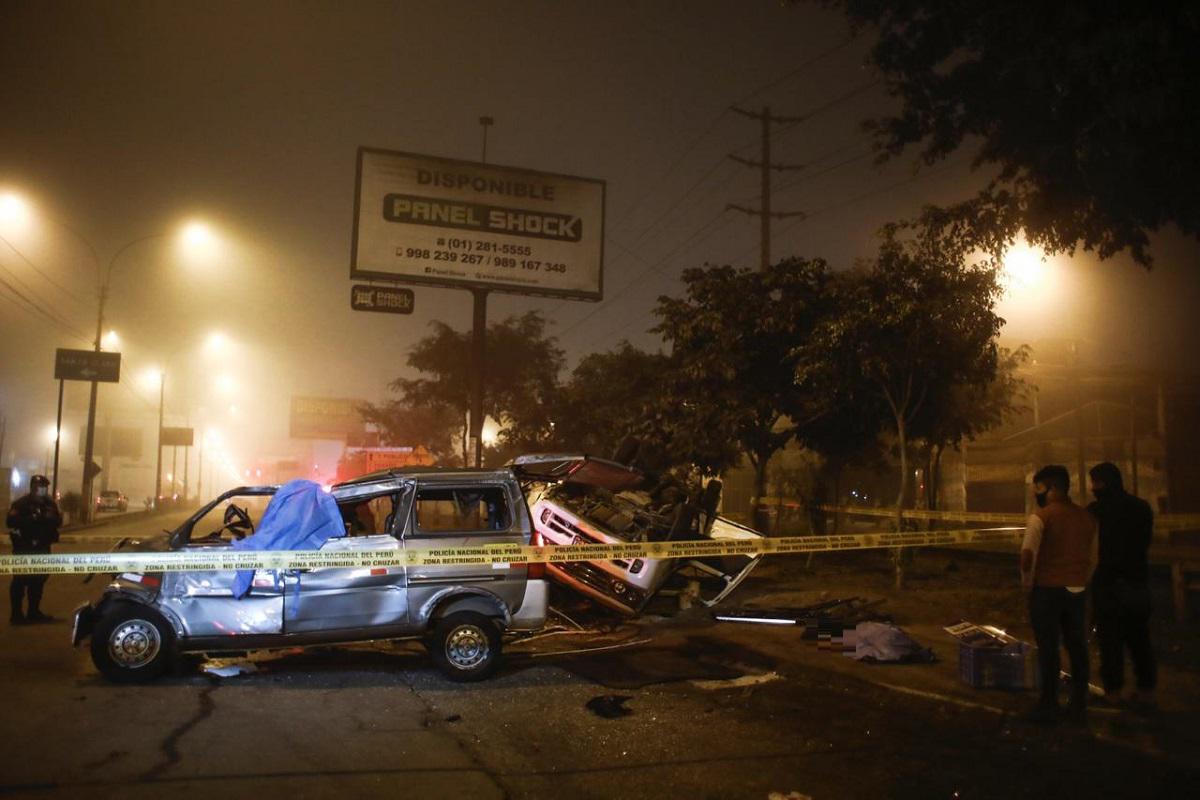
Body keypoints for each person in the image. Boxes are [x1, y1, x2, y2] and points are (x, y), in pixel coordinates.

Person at [1020, 464, 1098, 723]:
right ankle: (1078, 703)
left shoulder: (1040, 517)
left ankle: (1048, 702)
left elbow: (1027, 556)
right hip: (1077, 589)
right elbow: (1093, 556)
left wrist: (1027, 586)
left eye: (1039, 488)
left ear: (1052, 488)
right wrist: (1082, 579)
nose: (1037, 493)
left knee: (1048, 647)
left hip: (1047, 590)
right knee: (1077, 646)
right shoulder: (1087, 518)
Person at [1087, 461, 1156, 708]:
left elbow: (1090, 549)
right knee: (1140, 639)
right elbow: (1145, 541)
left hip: (1108, 585)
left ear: (1102, 483)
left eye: (1095, 482)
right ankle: (1147, 692)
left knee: (1110, 641)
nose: (1092, 487)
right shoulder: (1141, 507)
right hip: (1137, 582)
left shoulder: (1095, 511)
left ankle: (1113, 693)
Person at [6, 474, 62, 625]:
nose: (42, 490)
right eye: (39, 487)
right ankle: (16, 615)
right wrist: (31, 520)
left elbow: (58, 521)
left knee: (38, 580)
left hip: (42, 547)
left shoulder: (50, 504)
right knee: (19, 581)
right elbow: (10, 521)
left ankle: (33, 611)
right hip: (24, 548)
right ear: (32, 488)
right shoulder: (21, 504)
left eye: (44, 487)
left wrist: (45, 519)